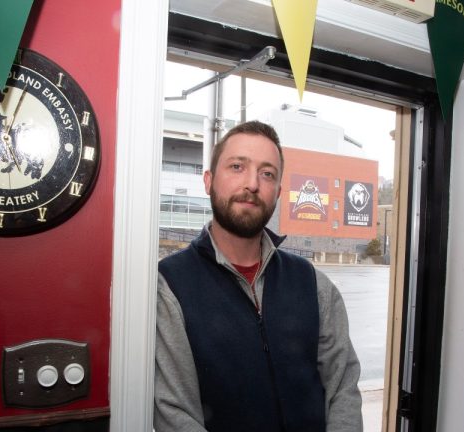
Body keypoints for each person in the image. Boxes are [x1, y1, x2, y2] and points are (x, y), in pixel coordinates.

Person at [154, 120, 363, 432]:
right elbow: (173, 411)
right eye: (237, 166)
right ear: (208, 181)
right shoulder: (170, 285)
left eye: (267, 173)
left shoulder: (313, 283)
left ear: (277, 192)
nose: (252, 184)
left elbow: (342, 388)